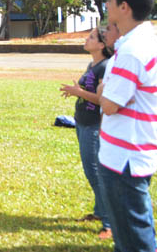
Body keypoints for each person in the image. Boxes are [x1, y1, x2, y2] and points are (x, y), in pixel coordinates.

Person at [98, 0, 157, 252]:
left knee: (133, 239)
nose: (106, 5)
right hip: (132, 153)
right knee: (134, 229)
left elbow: (110, 104)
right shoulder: (140, 42)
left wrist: (103, 88)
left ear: (123, 7)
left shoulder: (133, 51)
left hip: (124, 159)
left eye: (110, 0)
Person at [59, 27, 113, 239]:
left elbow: (104, 99)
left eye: (91, 37)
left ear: (101, 45)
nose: (86, 39)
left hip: (93, 126)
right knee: (92, 171)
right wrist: (77, 93)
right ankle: (100, 213)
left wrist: (79, 92)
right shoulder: (93, 64)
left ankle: (109, 223)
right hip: (82, 122)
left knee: (95, 173)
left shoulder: (105, 67)